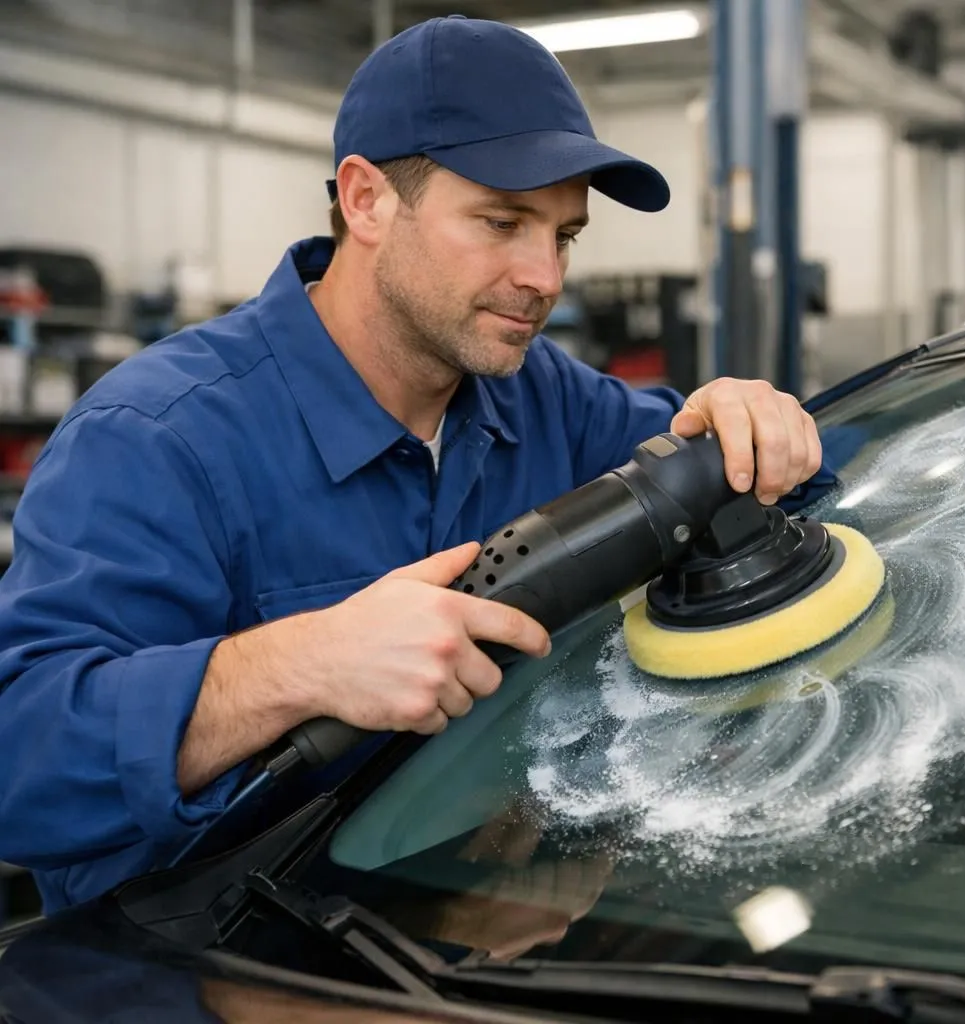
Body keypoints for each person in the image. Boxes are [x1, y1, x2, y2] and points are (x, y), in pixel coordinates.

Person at [0, 15, 826, 915]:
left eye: (564, 236)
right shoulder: (157, 437)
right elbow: (18, 759)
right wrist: (296, 666)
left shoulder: (543, 396)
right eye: (502, 221)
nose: (544, 276)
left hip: (464, 940)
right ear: (365, 202)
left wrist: (759, 425)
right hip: (200, 975)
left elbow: (768, 477)